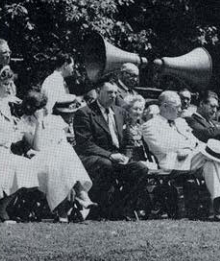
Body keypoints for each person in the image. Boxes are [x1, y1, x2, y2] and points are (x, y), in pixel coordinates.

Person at [142, 91, 220, 223]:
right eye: (176, 106)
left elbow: (195, 141)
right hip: (172, 162)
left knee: (210, 163)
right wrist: (187, 147)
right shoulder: (150, 125)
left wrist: (188, 147)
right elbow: (161, 148)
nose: (180, 109)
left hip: (193, 158)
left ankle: (218, 209)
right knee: (211, 155)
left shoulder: (181, 122)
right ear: (164, 106)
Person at [73, 78, 149, 220]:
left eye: (115, 93)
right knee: (105, 164)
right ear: (98, 92)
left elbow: (128, 142)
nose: (113, 96)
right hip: (93, 158)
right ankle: (101, 209)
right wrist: (109, 155)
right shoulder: (84, 113)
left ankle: (122, 208)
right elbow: (85, 144)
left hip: (117, 158)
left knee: (140, 168)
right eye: (109, 92)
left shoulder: (120, 112)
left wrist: (126, 156)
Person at [17, 91, 95, 223]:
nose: (43, 110)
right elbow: (37, 147)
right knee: (62, 153)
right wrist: (39, 123)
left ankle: (64, 213)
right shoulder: (24, 123)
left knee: (61, 156)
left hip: (56, 161)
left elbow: (61, 141)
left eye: (43, 106)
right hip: (36, 163)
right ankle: (81, 195)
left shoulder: (54, 120)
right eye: (39, 107)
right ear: (31, 108)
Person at [0, 101, 38, 224]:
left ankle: (3, 207)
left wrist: (18, 133)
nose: (10, 88)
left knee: (25, 165)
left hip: (5, 151)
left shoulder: (7, 107)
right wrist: (14, 135)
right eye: (6, 84)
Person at [121, 94, 154, 165]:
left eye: (140, 109)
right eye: (135, 109)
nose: (138, 112)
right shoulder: (122, 125)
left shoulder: (143, 125)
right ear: (128, 109)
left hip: (142, 159)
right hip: (127, 160)